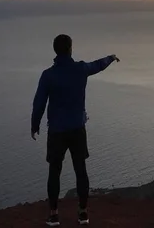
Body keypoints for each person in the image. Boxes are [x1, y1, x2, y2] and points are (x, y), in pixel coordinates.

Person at [31, 34, 119, 226]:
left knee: (54, 171)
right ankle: (83, 213)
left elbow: (39, 103)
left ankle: (53, 214)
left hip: (56, 131)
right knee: (81, 170)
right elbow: (97, 65)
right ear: (70, 48)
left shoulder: (48, 75)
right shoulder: (80, 69)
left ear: (55, 50)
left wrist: (34, 124)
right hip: (77, 129)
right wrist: (111, 58)